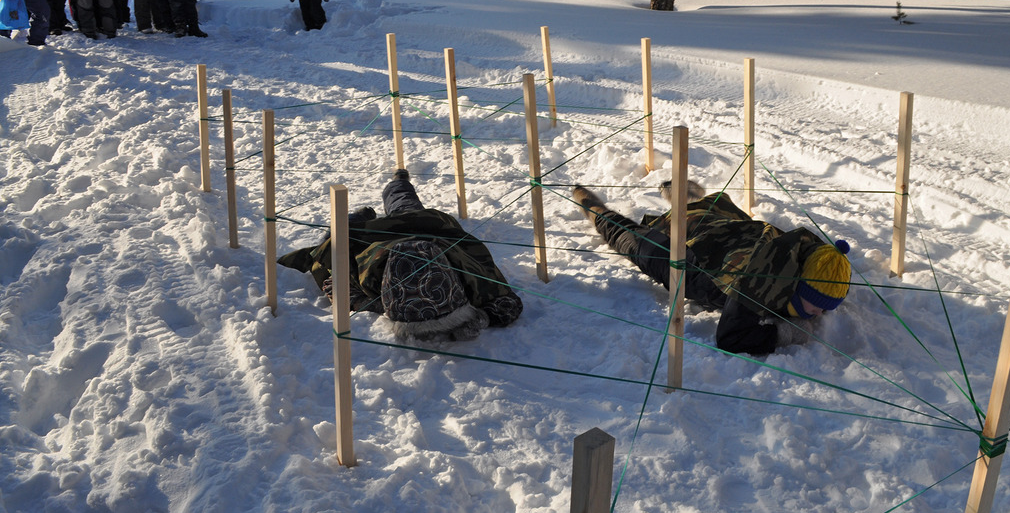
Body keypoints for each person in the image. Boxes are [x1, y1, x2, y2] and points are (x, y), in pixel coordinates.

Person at [572, 181, 852, 355]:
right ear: (798, 285)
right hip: (693, 265)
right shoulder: (762, 281)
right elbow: (732, 337)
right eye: (817, 304)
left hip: (729, 235)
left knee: (706, 215)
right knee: (630, 240)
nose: (821, 314)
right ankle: (597, 210)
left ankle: (685, 197)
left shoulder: (801, 255)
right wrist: (787, 332)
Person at [279, 170, 524, 341]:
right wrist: (485, 318)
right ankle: (361, 216)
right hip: (372, 241)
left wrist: (480, 318)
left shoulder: (463, 274)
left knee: (405, 204)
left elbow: (338, 289)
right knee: (339, 236)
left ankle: (398, 181)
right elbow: (508, 304)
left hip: (425, 231)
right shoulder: (368, 272)